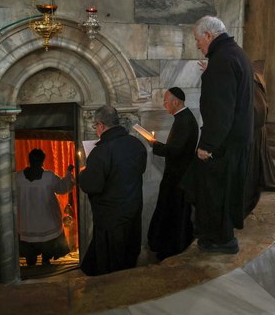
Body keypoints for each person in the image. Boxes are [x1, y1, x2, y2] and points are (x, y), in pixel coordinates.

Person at [183, 15, 253, 254]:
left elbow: (220, 111)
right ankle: (220, 235)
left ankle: (221, 240)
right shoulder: (234, 54)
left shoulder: (222, 60)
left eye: (197, 39)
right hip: (237, 140)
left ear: (209, 36)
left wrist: (207, 145)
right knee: (223, 191)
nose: (197, 45)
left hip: (224, 143)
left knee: (216, 193)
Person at [79, 106, 147, 276]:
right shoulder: (137, 144)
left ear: (100, 125)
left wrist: (83, 174)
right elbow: (139, 171)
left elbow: (92, 186)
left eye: (95, 127)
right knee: (128, 255)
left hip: (111, 218)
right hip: (132, 210)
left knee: (111, 264)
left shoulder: (100, 151)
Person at [147, 87, 199, 261]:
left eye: (166, 102)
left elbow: (175, 150)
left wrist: (154, 144)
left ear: (176, 102)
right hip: (177, 175)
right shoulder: (182, 118)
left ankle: (173, 247)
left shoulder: (184, 120)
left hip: (178, 178)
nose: (165, 105)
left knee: (174, 213)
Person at [15, 148, 74, 267]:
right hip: (47, 220)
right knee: (48, 245)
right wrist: (69, 174)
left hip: (27, 221)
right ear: (43, 161)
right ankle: (46, 262)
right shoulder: (48, 177)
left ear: (29, 160)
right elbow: (62, 187)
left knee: (29, 249)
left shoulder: (18, 177)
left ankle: (30, 265)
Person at [244, 61, 275, 217]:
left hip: (255, 131)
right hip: (256, 130)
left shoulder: (251, 83)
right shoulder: (254, 79)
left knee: (252, 168)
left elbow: (258, 110)